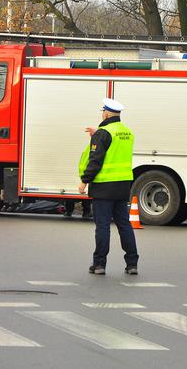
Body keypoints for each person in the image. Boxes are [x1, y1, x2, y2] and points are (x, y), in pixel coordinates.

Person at [78, 98, 139, 275]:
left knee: (103, 226)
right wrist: (98, 134)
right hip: (122, 186)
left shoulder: (103, 133)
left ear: (106, 113)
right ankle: (132, 263)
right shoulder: (126, 132)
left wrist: (84, 180)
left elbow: (95, 160)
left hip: (104, 186)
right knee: (124, 225)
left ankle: (99, 264)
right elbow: (114, 145)